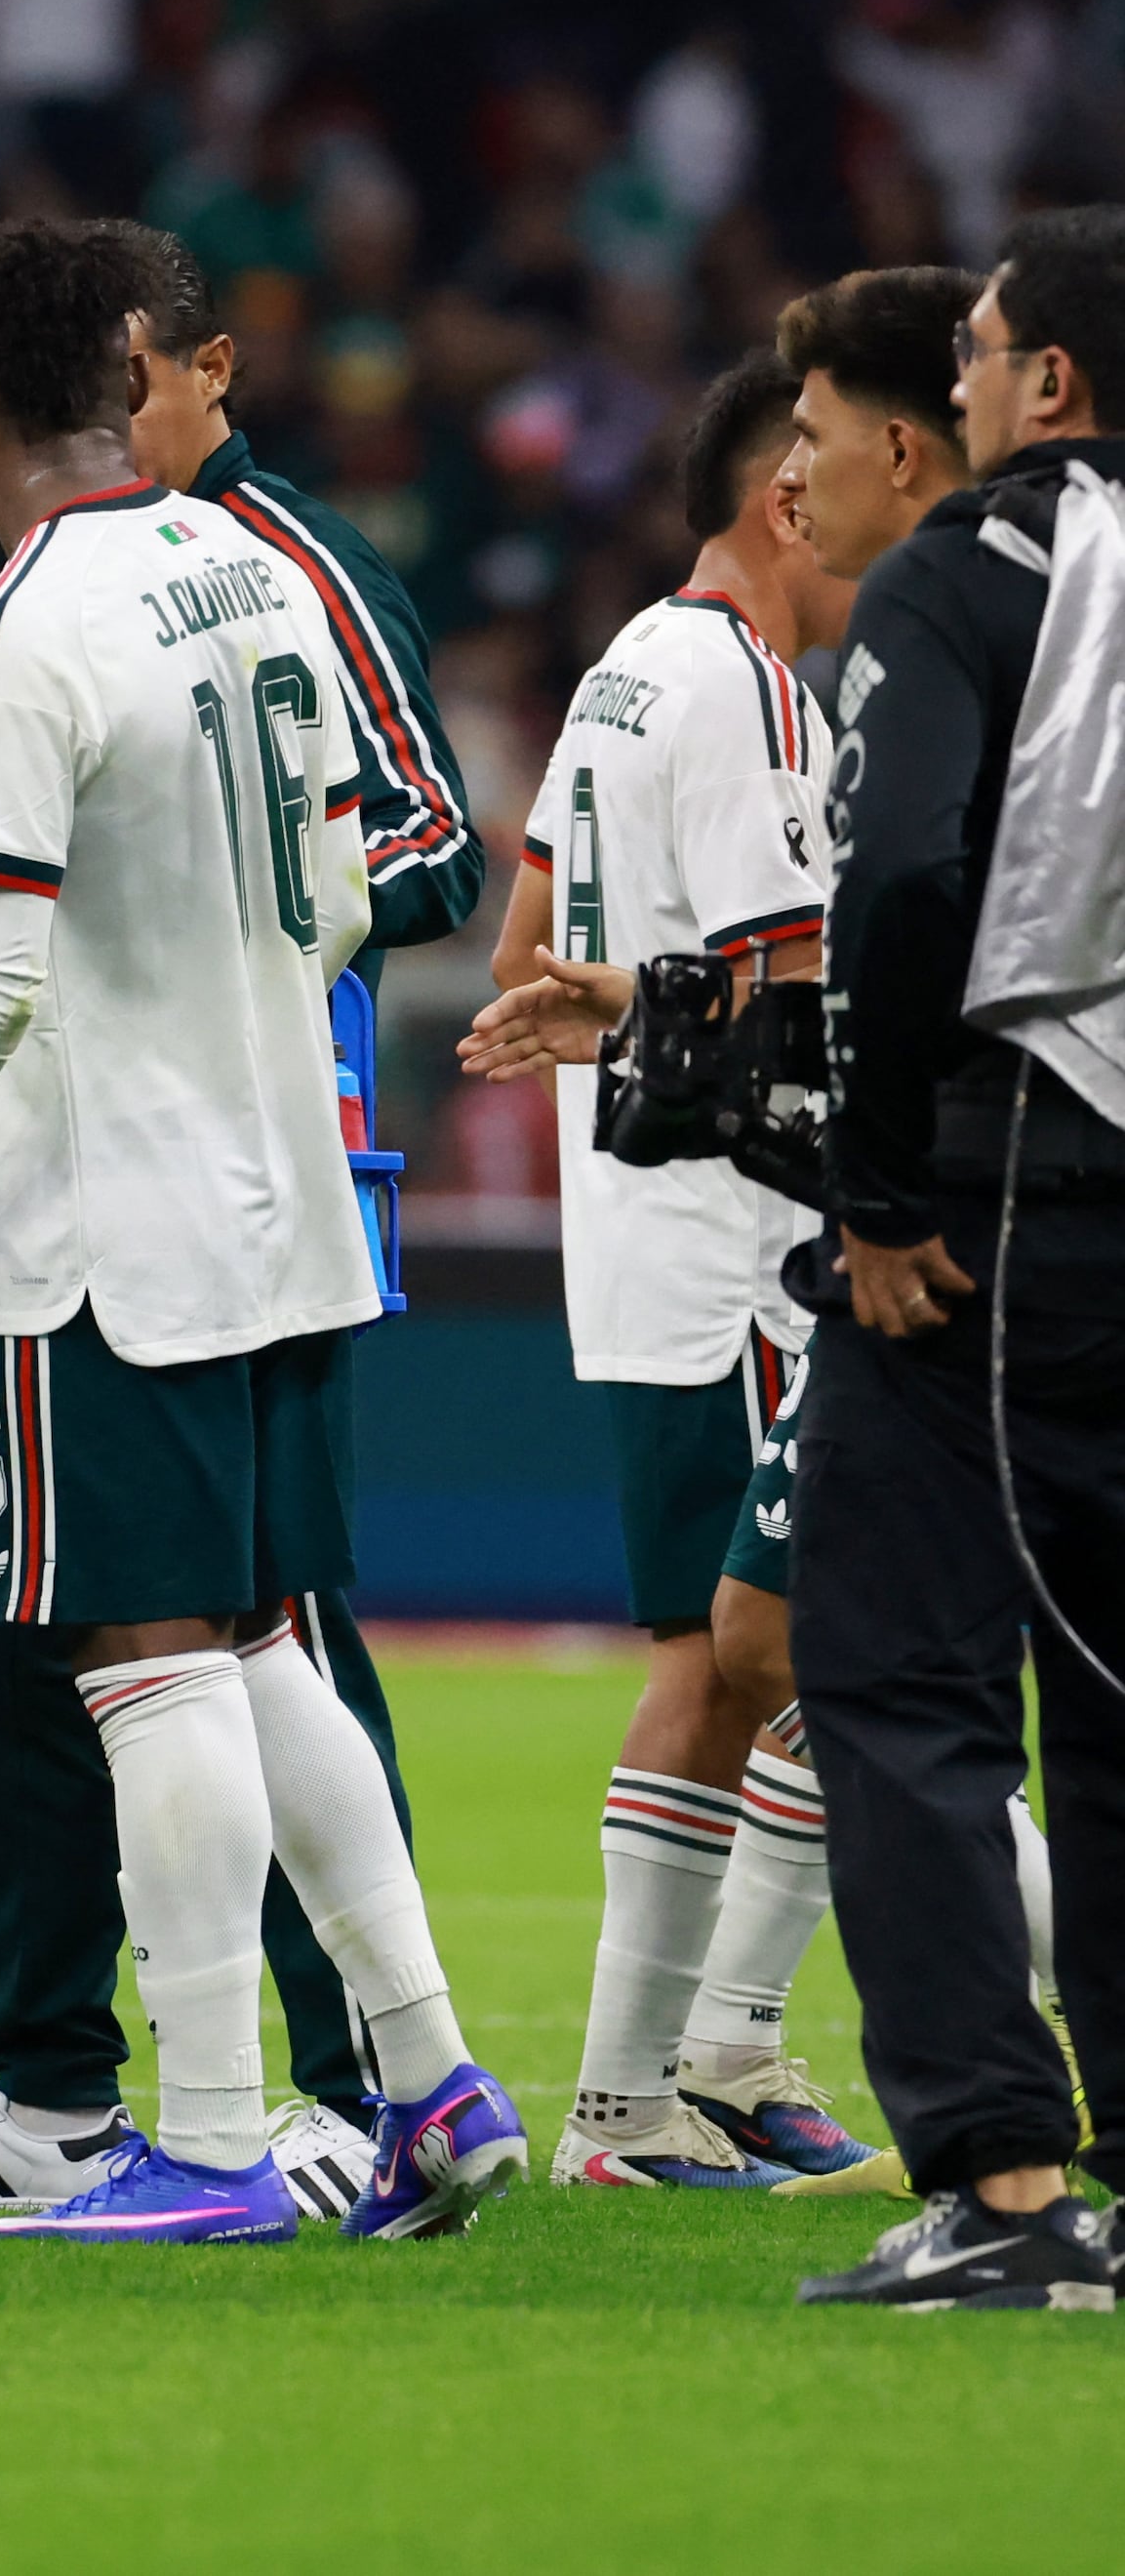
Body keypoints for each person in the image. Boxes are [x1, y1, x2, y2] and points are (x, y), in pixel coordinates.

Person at [0, 219, 519, 2246]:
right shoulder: (261, 566)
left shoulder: (7, 632)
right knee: (265, 1627)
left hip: (103, 1217)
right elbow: (369, 865)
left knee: (140, 1649)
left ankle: (202, 2138)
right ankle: (426, 2070)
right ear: (128, 369)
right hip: (287, 1183)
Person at [762, 215, 1125, 2308]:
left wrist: (878, 1192)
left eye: (983, 359)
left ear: (1047, 387)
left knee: (903, 1687)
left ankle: (996, 2189)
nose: (966, 391)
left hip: (1002, 1198)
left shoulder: (965, 573)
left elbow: (900, 871)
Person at [476, 355, 854, 2188]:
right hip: (750, 1240)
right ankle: (671, 2081)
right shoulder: (756, 699)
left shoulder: (623, 659)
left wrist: (609, 1022)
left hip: (632, 1231)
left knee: (719, 1660)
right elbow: (790, 991)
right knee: (810, 1652)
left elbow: (523, 935)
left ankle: (683, 2080)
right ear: (790, 495)